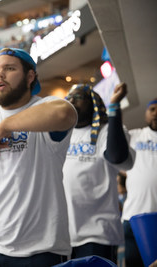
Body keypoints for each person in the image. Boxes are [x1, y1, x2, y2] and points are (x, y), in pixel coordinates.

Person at [0, 47, 78, 266]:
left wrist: (6, 125)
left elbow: (65, 113)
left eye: (9, 69)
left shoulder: (43, 107)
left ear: (30, 76)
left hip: (42, 249)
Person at [62, 83, 135, 262]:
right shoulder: (61, 136)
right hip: (62, 235)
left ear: (94, 103)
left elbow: (117, 156)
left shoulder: (107, 131)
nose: (72, 101)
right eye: (69, 97)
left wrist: (114, 107)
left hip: (97, 233)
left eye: (78, 97)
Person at [122, 98, 157, 267]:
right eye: (152, 109)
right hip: (132, 216)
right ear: (146, 114)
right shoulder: (134, 136)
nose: (156, 113)